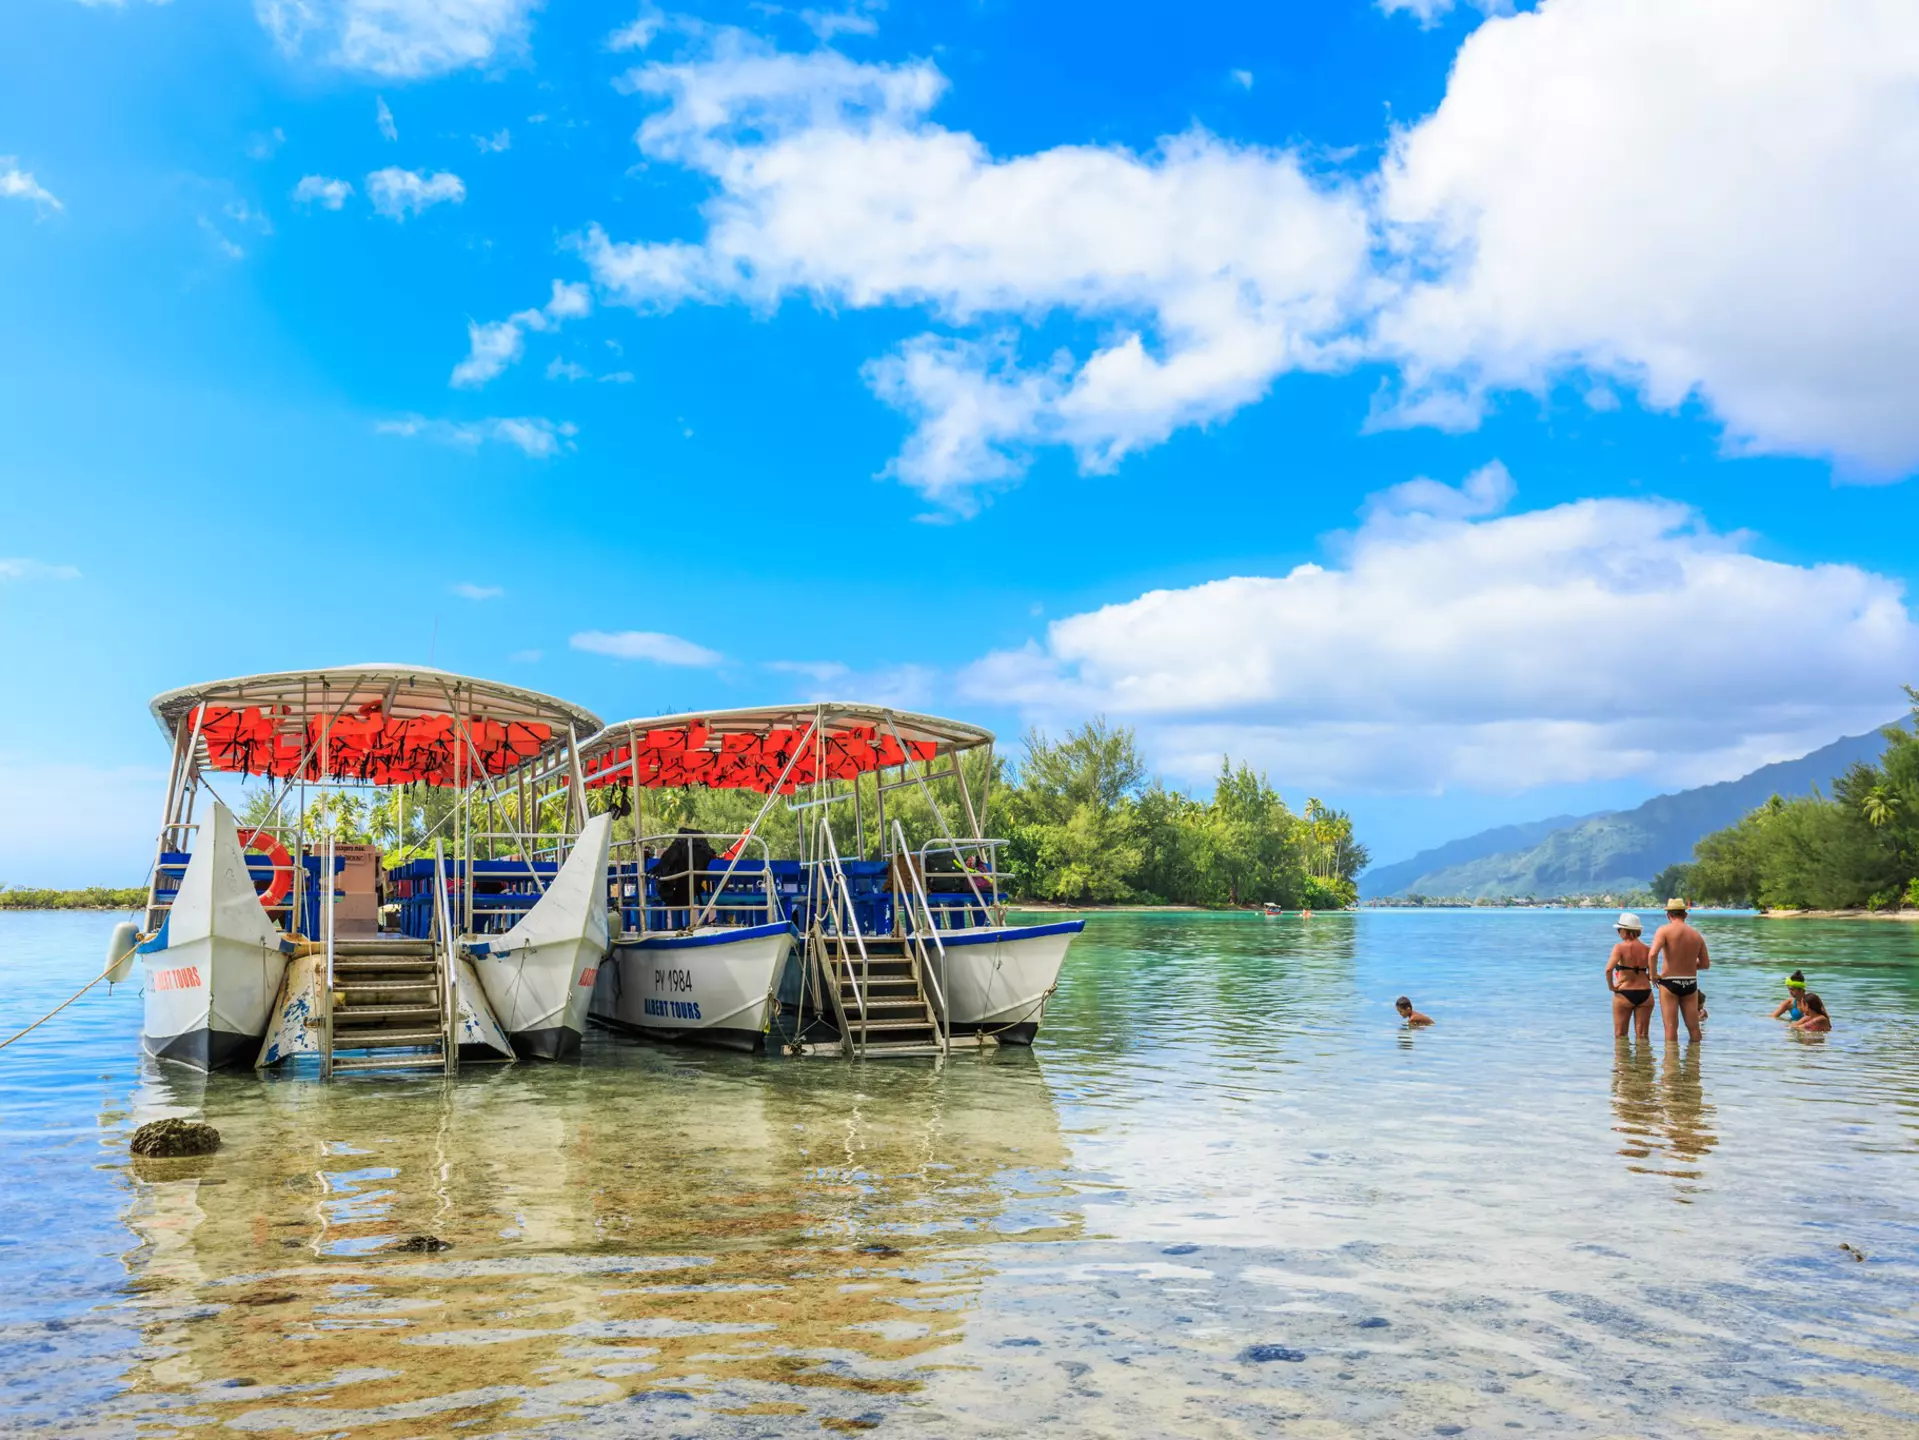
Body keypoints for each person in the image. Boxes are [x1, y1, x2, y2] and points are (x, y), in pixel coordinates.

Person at [1649, 898, 1710, 1042]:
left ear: (1668, 915)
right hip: (1690, 983)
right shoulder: (1696, 935)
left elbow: (1652, 954)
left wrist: (1653, 975)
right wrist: (1689, 963)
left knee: (1671, 1028)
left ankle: (1670, 1063)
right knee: (1694, 1028)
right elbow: (1705, 964)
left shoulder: (1664, 931)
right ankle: (1694, 1062)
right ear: (1685, 915)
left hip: (1669, 982)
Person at [1605, 912, 1655, 1039]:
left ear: (1625, 931)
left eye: (1619, 930)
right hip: (1645, 993)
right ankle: (1643, 1058)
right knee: (1643, 1036)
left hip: (1624, 994)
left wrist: (1611, 987)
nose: (1618, 933)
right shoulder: (1647, 949)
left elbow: (1608, 969)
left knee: (1620, 1036)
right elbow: (1651, 975)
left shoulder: (1619, 948)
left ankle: (1623, 1059)